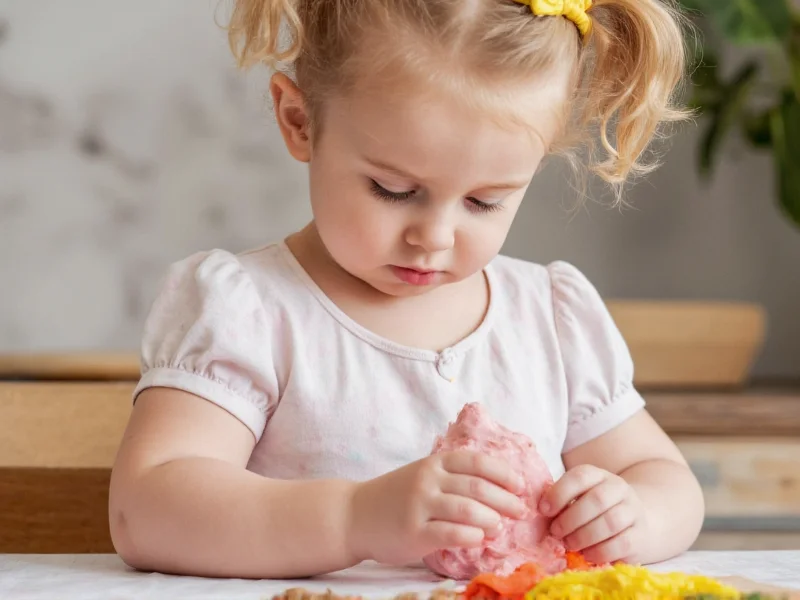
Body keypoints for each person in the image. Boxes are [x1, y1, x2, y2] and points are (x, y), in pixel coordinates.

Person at [109, 0, 705, 580]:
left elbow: (662, 477)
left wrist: (635, 515)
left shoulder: (549, 319)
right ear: (300, 121)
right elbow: (147, 510)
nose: (435, 236)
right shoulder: (252, 311)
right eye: (393, 189)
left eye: (485, 200)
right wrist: (353, 519)